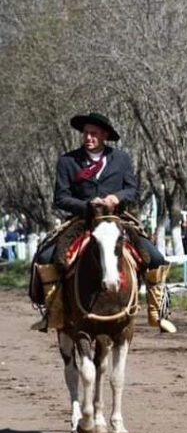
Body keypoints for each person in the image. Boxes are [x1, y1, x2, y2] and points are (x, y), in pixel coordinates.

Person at [30, 112, 176, 333]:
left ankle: (157, 314)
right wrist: (87, 204)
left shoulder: (121, 159)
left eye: (93, 134)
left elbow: (132, 189)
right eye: (86, 133)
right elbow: (61, 197)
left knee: (155, 257)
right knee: (46, 257)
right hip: (82, 220)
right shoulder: (68, 161)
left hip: (118, 220)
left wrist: (117, 198)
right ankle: (54, 313)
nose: (88, 137)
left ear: (104, 135)